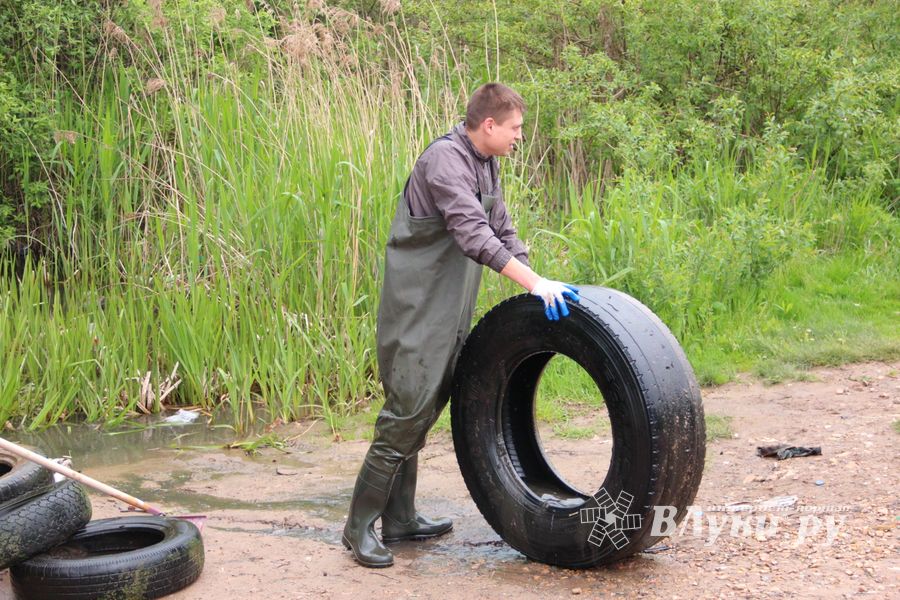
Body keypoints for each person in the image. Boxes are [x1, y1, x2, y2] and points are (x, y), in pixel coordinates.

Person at [342, 83, 580, 567]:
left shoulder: (487, 162)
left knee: (427, 408)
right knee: (406, 412)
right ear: (489, 125)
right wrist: (533, 284)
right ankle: (358, 526)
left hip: (449, 308)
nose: (520, 136)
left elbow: (502, 229)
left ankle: (402, 519)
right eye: (515, 128)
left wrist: (536, 282)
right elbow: (473, 234)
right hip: (416, 310)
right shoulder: (445, 161)